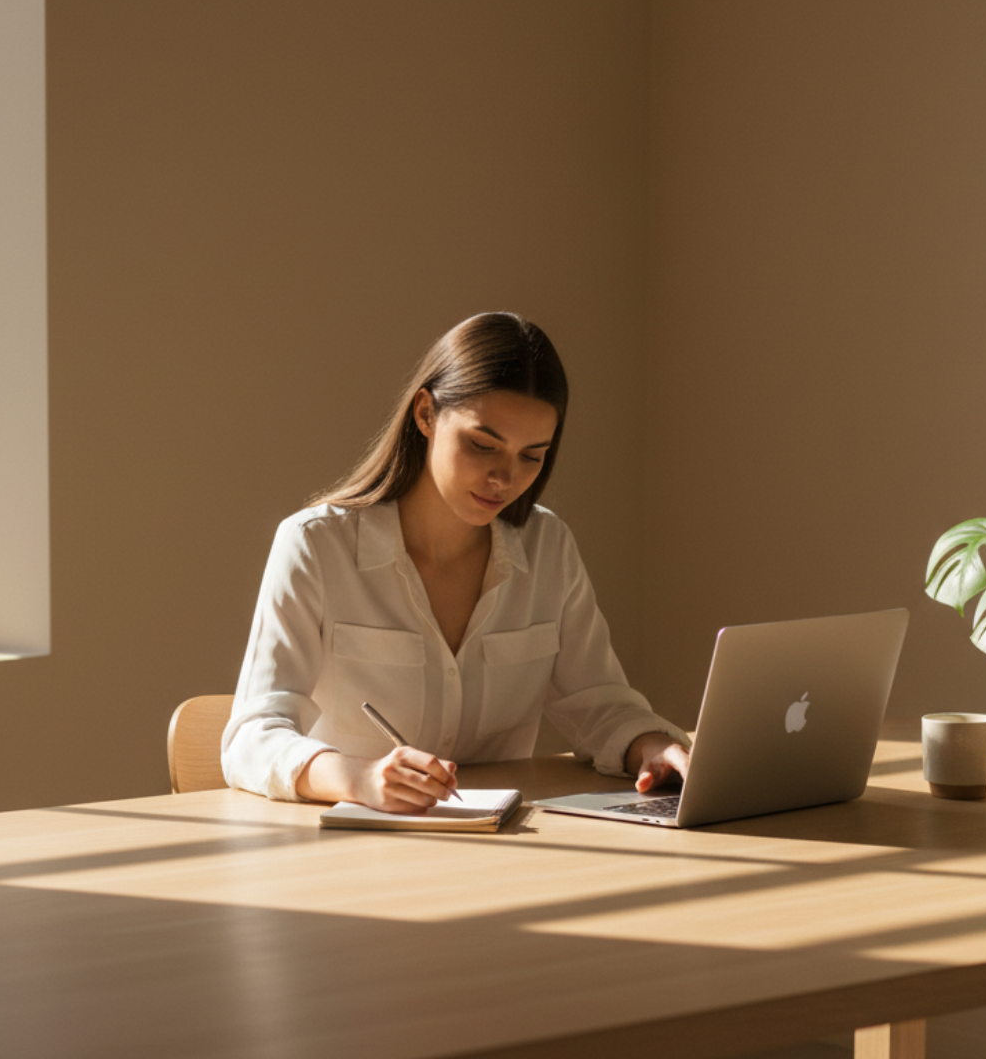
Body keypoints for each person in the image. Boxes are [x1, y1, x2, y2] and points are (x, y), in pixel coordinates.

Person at [221, 312, 691, 812]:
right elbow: (252, 737)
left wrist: (652, 745)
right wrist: (357, 778)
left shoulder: (548, 546)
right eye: (482, 445)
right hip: (348, 856)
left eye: (532, 456)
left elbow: (599, 704)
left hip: (502, 849)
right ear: (425, 414)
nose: (504, 478)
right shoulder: (315, 545)